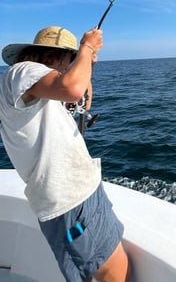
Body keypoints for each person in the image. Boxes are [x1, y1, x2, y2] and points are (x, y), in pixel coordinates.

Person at [0, 25, 130, 282]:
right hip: (71, 201)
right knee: (115, 275)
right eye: (70, 59)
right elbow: (72, 89)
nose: (70, 65)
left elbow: (81, 99)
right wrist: (89, 46)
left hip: (75, 198)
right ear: (59, 55)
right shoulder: (24, 71)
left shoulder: (40, 85)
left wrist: (87, 63)